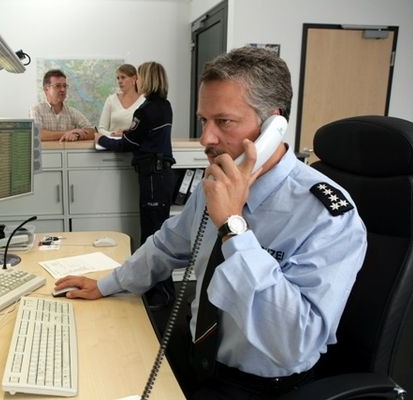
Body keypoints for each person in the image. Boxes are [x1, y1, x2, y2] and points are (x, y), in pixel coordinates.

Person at [56, 46, 367, 399]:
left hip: (262, 388)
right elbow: (166, 245)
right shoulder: (218, 180)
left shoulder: (326, 215)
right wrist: (108, 284)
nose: (207, 139)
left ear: (273, 126)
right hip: (196, 358)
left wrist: (234, 227)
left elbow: (293, 343)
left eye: (224, 122)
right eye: (205, 120)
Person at [95, 61, 177, 309]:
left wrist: (102, 139)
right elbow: (141, 137)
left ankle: (160, 294)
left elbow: (126, 145)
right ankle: (162, 290)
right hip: (161, 175)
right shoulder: (164, 106)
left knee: (152, 236)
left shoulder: (146, 110)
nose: (136, 81)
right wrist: (127, 133)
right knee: (158, 234)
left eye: (138, 77)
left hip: (152, 176)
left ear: (146, 79)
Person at [30, 69, 95, 142]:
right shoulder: (36, 110)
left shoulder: (72, 112)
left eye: (64, 86)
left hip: (67, 153)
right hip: (46, 153)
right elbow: (38, 134)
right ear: (46, 89)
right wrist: (69, 133)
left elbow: (92, 131)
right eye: (57, 86)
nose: (63, 89)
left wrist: (77, 134)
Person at [97, 64, 145, 137]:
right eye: (118, 78)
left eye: (123, 77)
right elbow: (101, 129)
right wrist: (112, 134)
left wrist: (126, 135)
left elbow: (146, 131)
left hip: (134, 147)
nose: (119, 81)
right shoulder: (111, 100)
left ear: (134, 79)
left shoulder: (144, 101)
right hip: (112, 146)